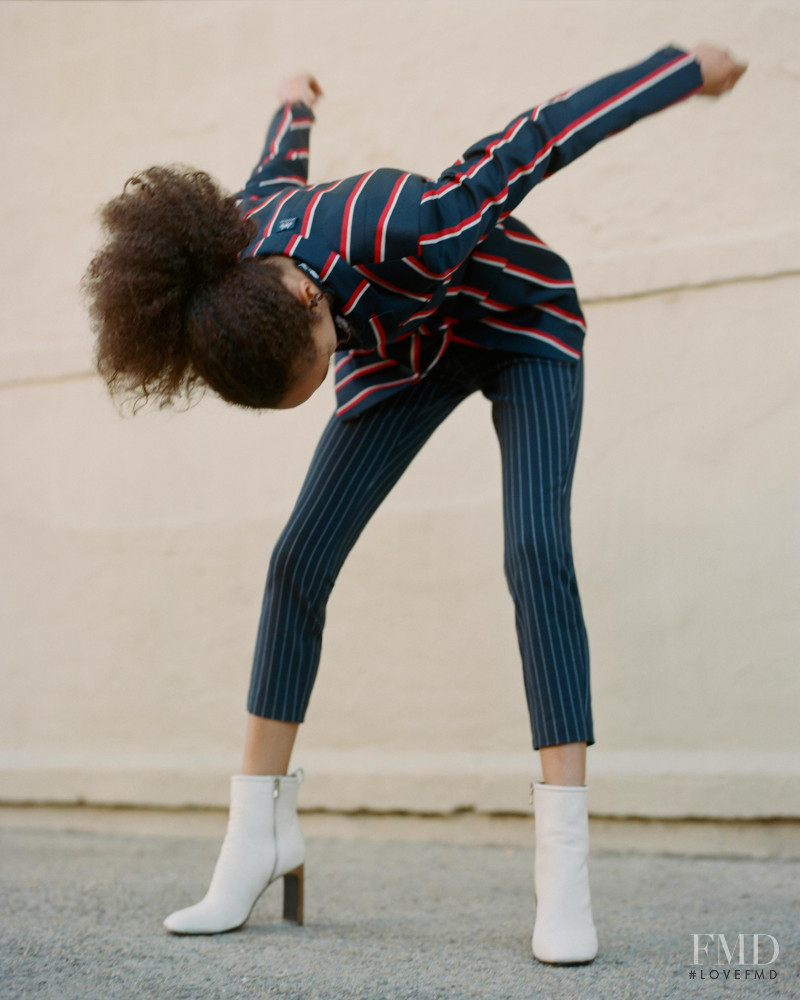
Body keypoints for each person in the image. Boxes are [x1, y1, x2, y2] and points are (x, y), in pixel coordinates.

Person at [83, 42, 746, 965]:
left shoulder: (411, 223)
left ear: (312, 303)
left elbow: (538, 137)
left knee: (534, 551)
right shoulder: (240, 252)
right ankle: (256, 837)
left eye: (308, 378)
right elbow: (278, 163)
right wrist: (294, 98)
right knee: (296, 563)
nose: (314, 392)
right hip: (401, 352)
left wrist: (681, 71)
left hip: (520, 327)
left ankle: (563, 872)